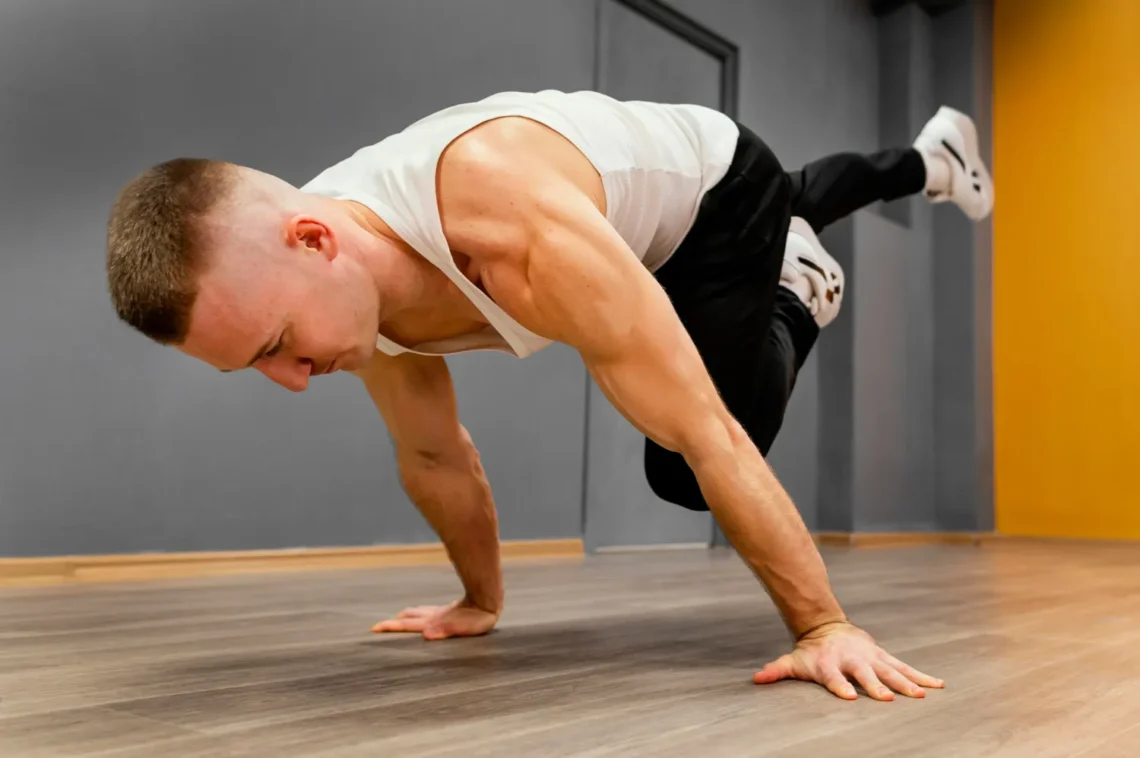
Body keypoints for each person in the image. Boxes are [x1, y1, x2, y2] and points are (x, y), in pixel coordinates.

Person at [104, 89, 992, 702]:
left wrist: (824, 627)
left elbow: (709, 431)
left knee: (682, 467)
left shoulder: (511, 231)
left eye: (278, 347)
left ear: (313, 239)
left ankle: (799, 288)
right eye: (257, 365)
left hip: (713, 195)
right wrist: (480, 601)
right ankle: (926, 159)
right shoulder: (340, 284)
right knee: (800, 208)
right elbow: (433, 454)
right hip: (615, 217)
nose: (291, 381)